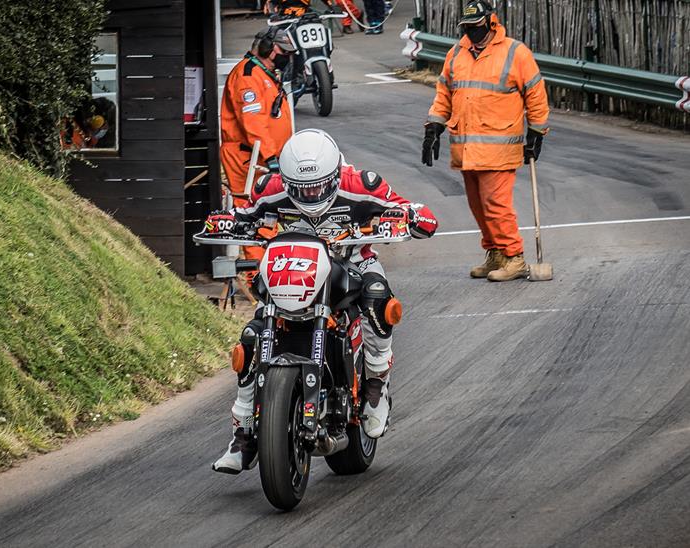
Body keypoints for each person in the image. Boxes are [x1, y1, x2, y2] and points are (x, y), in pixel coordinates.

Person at [209, 129, 438, 474]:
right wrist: (226, 221)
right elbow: (245, 214)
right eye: (301, 189)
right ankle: (242, 435)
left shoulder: (361, 183)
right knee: (251, 336)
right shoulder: (269, 188)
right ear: (285, 181)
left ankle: (376, 385)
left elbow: (404, 207)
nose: (311, 194)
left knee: (378, 299)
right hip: (293, 265)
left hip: (352, 259)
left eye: (317, 186)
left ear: (334, 176)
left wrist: (410, 216)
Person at [421, 0, 549, 282]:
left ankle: (514, 257)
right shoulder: (457, 53)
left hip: (500, 147)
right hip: (467, 149)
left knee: (496, 205)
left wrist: (537, 132)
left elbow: (536, 93)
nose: (471, 33)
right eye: (466, 28)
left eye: (476, 27)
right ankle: (495, 254)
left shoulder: (515, 53)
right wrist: (434, 127)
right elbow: (445, 94)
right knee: (478, 206)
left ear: (491, 23)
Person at [220, 26, 296, 262]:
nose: (286, 57)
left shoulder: (264, 73)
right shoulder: (248, 77)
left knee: (271, 213)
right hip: (249, 160)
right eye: (282, 52)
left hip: (264, 158)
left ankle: (270, 264)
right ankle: (257, 272)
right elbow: (253, 123)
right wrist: (271, 157)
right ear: (267, 49)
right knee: (253, 214)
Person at [265, 0, 362, 34]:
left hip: (306, 16)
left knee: (323, 34)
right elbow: (270, 3)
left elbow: (327, 1)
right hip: (285, 19)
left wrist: (332, 7)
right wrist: (273, 15)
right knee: (273, 38)